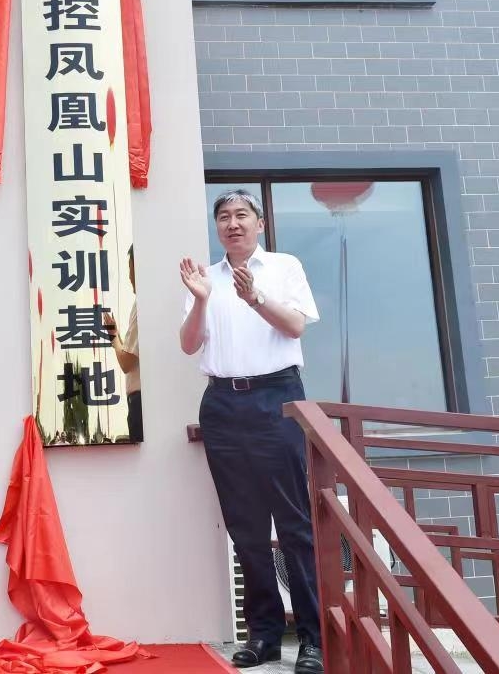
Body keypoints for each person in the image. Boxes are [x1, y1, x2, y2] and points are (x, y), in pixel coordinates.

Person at [179, 188, 325, 674]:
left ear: (259, 223)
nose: (233, 223)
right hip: (222, 403)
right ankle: (263, 635)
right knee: (245, 527)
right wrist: (201, 301)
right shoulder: (204, 277)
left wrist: (255, 297)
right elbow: (189, 344)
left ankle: (313, 638)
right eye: (224, 216)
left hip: (276, 397)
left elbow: (295, 327)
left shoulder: (284, 267)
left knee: (293, 522)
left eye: (242, 214)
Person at [105, 245, 142, 443]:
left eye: (130, 268)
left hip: (140, 402)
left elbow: (127, 362)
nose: (129, 277)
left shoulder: (142, 305)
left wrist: (113, 339)